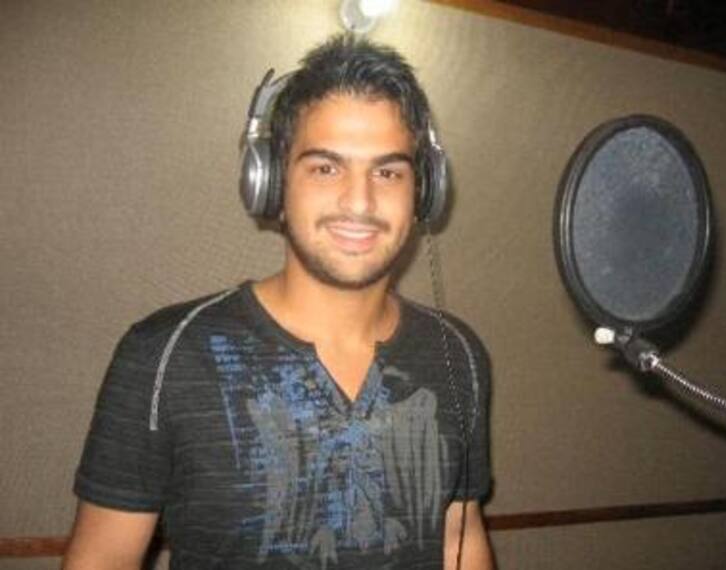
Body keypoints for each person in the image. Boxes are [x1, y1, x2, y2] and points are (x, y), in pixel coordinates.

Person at [63, 34, 494, 569]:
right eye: (325, 167)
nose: (359, 201)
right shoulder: (163, 355)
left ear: (423, 192)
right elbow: (102, 559)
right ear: (269, 183)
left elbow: (459, 535)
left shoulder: (459, 355)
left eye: (387, 172)